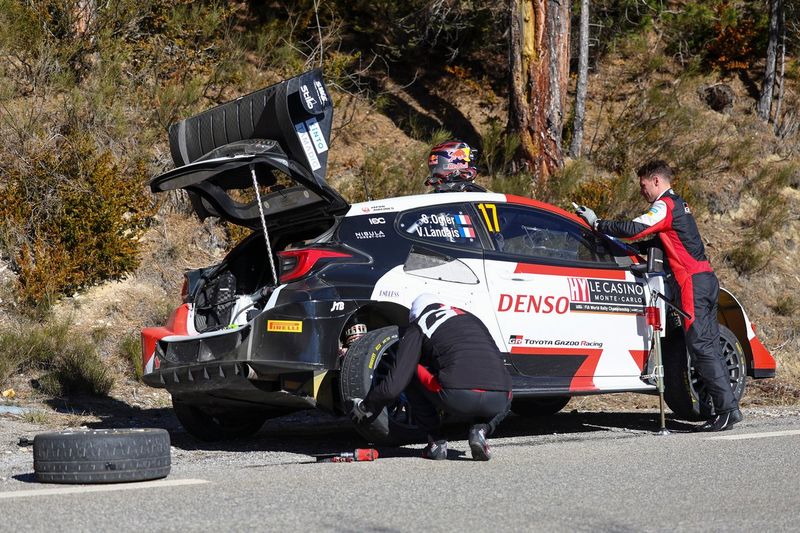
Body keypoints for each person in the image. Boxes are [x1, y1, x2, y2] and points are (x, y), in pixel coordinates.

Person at [575, 160, 742, 432]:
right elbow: (653, 241)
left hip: (692, 283)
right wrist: (614, 242)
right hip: (706, 280)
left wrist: (598, 223)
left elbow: (636, 228)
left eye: (643, 186)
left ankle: (726, 410)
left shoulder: (664, 205)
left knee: (700, 346)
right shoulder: (679, 205)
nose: (642, 192)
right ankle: (725, 408)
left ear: (656, 181)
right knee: (708, 345)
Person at [349, 293, 512, 460]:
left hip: (457, 395)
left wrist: (367, 406)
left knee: (409, 370)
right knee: (506, 389)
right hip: (499, 398)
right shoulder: (473, 319)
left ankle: (436, 442)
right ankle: (481, 429)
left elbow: (393, 386)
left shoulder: (420, 323)